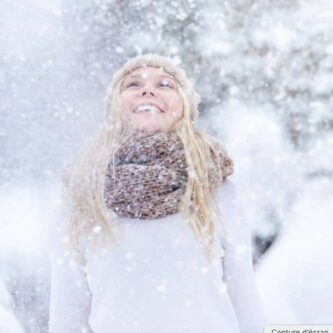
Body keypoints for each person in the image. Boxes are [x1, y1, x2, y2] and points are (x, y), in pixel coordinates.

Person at [48, 53, 267, 333]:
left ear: (185, 107)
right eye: (132, 84)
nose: (147, 89)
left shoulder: (216, 188)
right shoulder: (82, 196)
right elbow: (68, 315)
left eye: (165, 84)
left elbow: (244, 298)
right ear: (113, 107)